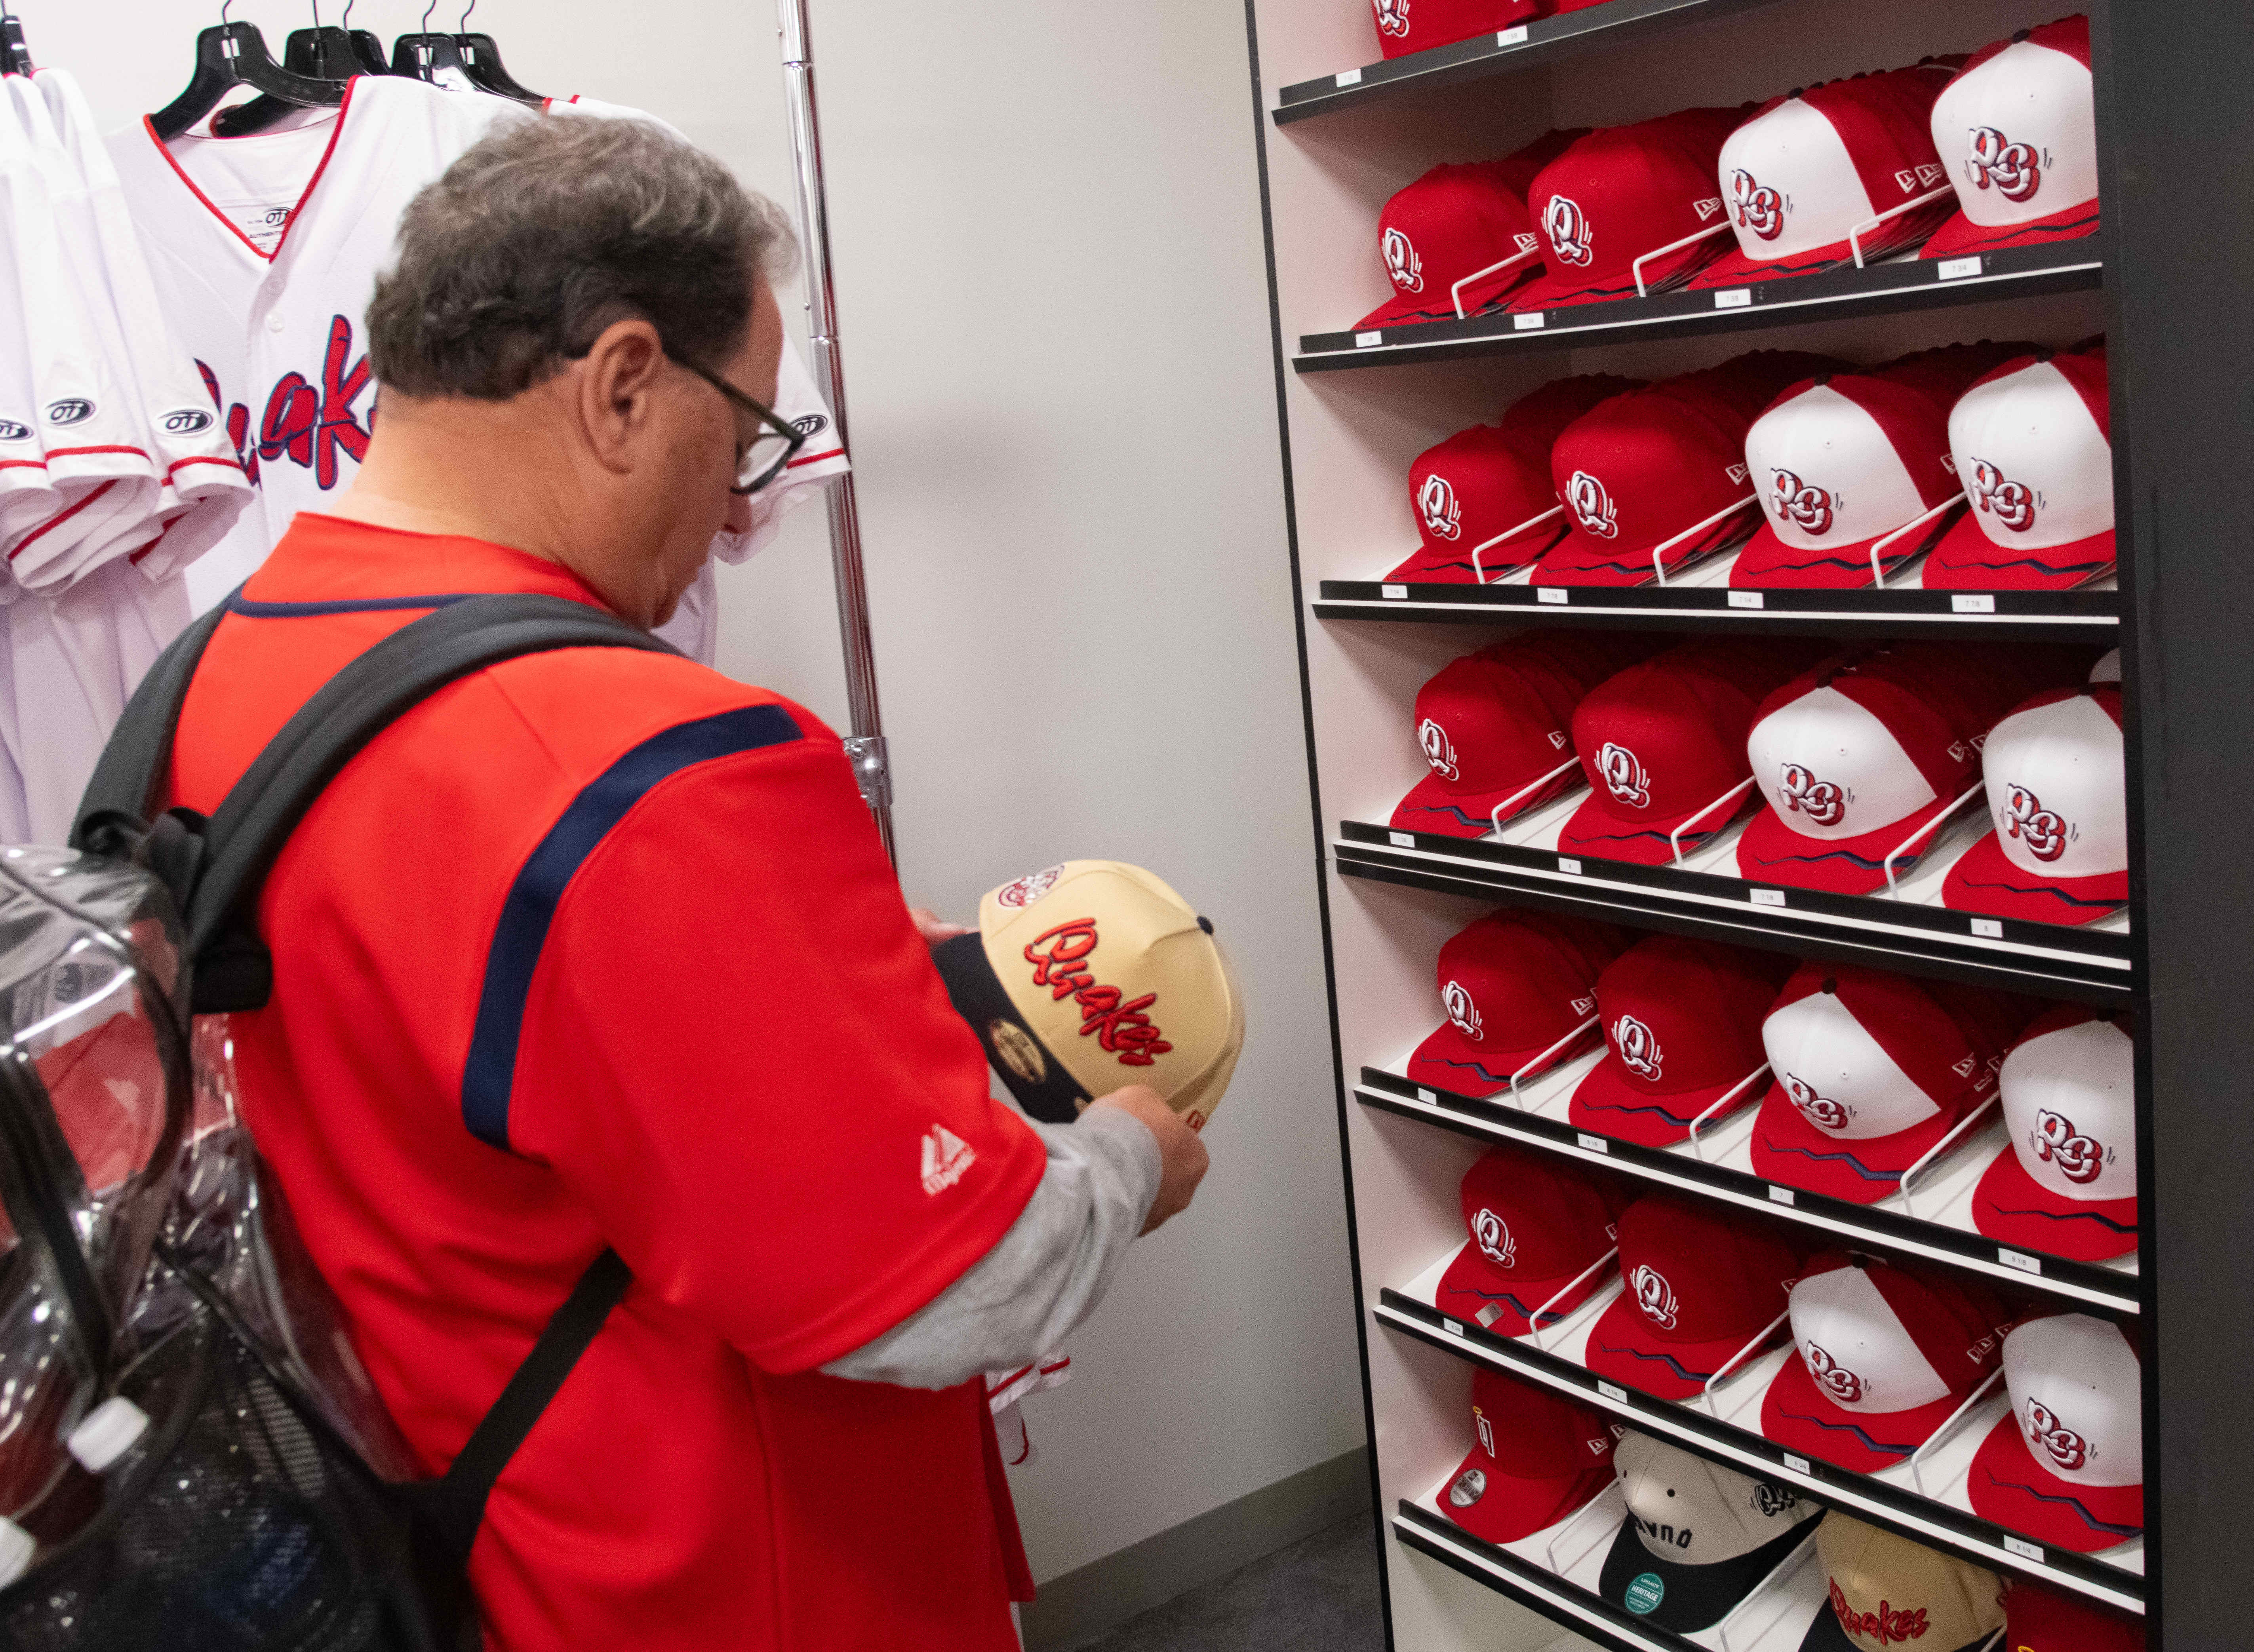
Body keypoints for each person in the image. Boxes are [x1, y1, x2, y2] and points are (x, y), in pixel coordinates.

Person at [162, 114, 1212, 1651]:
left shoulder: (221, 672)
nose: (735, 512)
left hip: (468, 1547)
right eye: (745, 440)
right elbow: (955, 1288)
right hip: (738, 1578)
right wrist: (1127, 1155)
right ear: (623, 385)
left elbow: (483, 1029)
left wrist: (802, 973)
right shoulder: (652, 762)